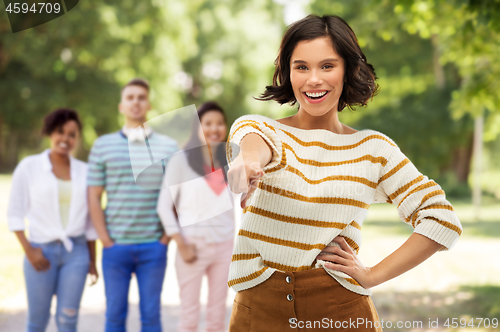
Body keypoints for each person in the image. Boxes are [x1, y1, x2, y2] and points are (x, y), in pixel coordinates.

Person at [225, 14, 463, 331]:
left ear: (347, 70)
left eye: (327, 66)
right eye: (301, 67)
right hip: (259, 311)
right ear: (287, 72)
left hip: (340, 311)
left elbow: (441, 219)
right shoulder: (260, 129)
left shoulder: (374, 150)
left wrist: (373, 274)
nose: (313, 79)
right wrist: (247, 167)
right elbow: (253, 149)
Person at [87, 78, 178, 332]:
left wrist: (164, 239)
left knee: (151, 316)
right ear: (121, 106)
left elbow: (177, 197)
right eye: (130, 97)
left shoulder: (168, 146)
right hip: (115, 246)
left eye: (141, 97)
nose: (135, 102)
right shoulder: (102, 146)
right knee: (114, 316)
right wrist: (105, 240)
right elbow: (93, 196)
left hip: (154, 247)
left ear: (148, 104)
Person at [7, 108, 99, 332]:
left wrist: (92, 261)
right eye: (60, 132)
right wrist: (29, 250)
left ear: (77, 139)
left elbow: (89, 222)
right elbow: (15, 212)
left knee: (68, 321)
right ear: (50, 132)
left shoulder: (85, 172)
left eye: (72, 134)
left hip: (76, 253)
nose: (65, 139)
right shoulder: (29, 167)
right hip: (41, 252)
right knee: (37, 322)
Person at [157, 101, 235, 332]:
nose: (214, 128)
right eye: (207, 123)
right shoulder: (180, 160)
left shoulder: (230, 161)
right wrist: (181, 245)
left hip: (224, 247)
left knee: (217, 315)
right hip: (192, 246)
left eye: (219, 123)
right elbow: (164, 206)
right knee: (189, 317)